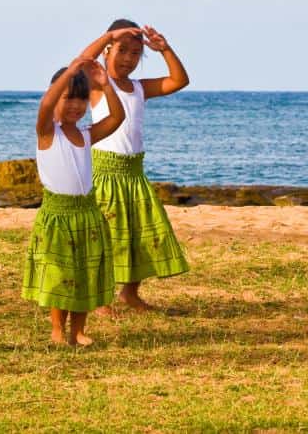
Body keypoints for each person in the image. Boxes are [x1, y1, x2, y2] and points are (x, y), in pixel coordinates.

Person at [22, 31, 134, 346]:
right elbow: (45, 104)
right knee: (61, 275)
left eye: (80, 99)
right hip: (58, 215)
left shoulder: (85, 134)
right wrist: (71, 72)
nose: (74, 105)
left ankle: (78, 331)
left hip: (87, 214)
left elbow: (117, 117)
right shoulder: (47, 132)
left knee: (85, 275)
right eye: (67, 97)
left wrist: (104, 85)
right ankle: (58, 330)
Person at [82, 20, 190, 311]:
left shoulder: (139, 88)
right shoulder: (98, 83)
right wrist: (107, 34)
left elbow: (179, 81)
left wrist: (165, 49)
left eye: (135, 53)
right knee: (105, 238)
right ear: (107, 50)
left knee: (139, 234)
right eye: (122, 50)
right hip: (104, 171)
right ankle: (101, 299)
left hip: (134, 172)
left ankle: (129, 293)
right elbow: (80, 64)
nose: (129, 58)